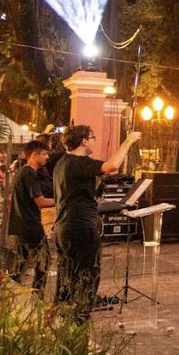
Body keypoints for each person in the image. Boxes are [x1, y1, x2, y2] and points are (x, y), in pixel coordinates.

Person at [53, 125, 141, 320]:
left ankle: (61, 318)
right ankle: (79, 321)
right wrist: (129, 141)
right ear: (84, 141)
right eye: (92, 137)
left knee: (67, 275)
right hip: (80, 226)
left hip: (65, 227)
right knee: (87, 275)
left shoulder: (63, 163)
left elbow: (81, 188)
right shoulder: (78, 161)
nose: (94, 140)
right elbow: (112, 166)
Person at [9, 140, 54, 293]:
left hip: (20, 224)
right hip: (30, 225)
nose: (47, 157)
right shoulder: (29, 173)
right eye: (44, 154)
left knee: (21, 263)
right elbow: (40, 201)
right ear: (34, 155)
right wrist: (62, 201)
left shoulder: (22, 172)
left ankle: (6, 291)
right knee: (44, 261)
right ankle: (37, 296)